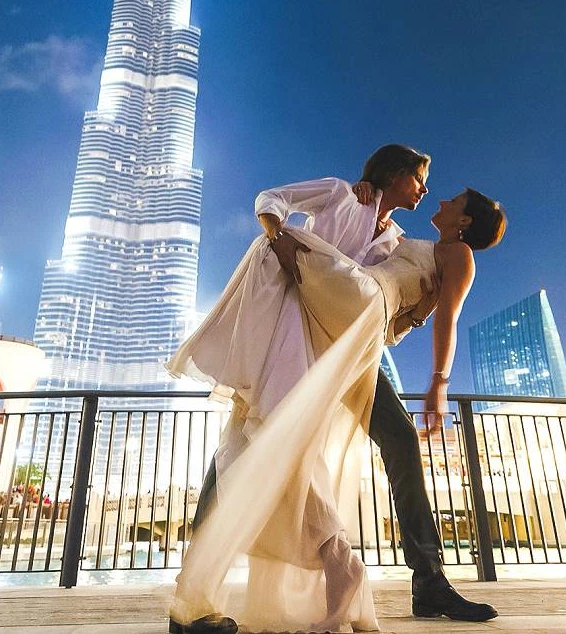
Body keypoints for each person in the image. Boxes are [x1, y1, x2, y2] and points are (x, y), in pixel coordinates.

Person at [168, 162, 506, 634]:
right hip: (300, 330)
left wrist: (433, 369)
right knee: (253, 432)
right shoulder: (348, 197)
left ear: (465, 221)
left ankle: (428, 581)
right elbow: (284, 207)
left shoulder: (405, 242)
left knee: (400, 440)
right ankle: (192, 597)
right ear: (393, 175)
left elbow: (401, 319)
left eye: (450, 198)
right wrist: (283, 233)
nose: (434, 194)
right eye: (420, 179)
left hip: (351, 342)